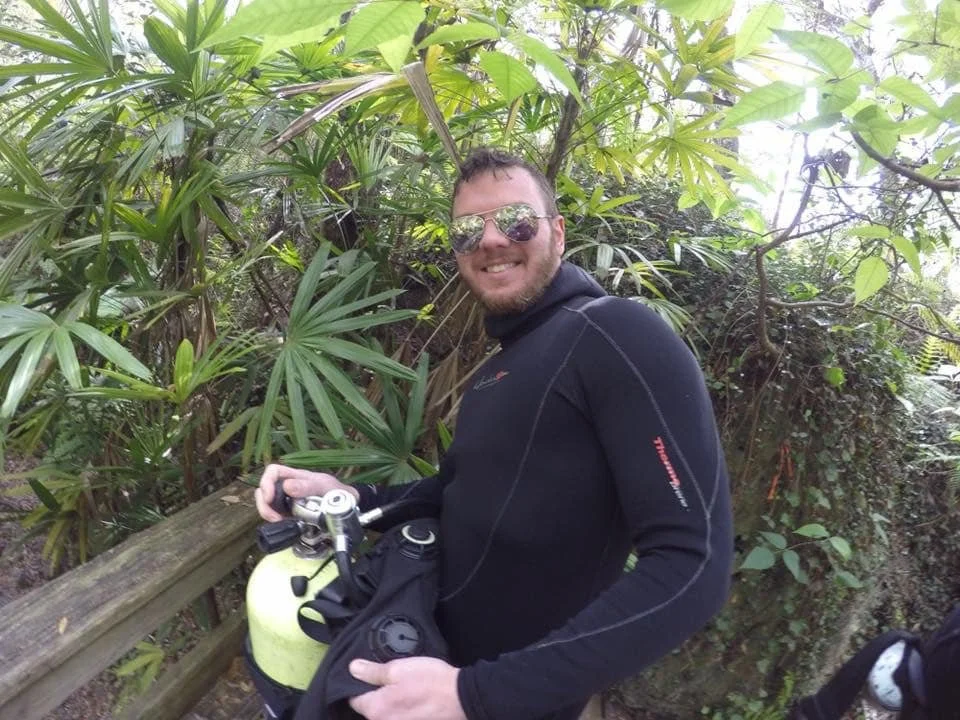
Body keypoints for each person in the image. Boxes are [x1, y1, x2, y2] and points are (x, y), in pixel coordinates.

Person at [255, 147, 734, 720]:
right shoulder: (500, 371)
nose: (490, 240)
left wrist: (475, 695)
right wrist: (352, 499)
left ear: (556, 231)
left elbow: (692, 565)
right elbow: (455, 492)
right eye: (466, 230)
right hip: (421, 664)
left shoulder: (615, 334)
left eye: (515, 220)